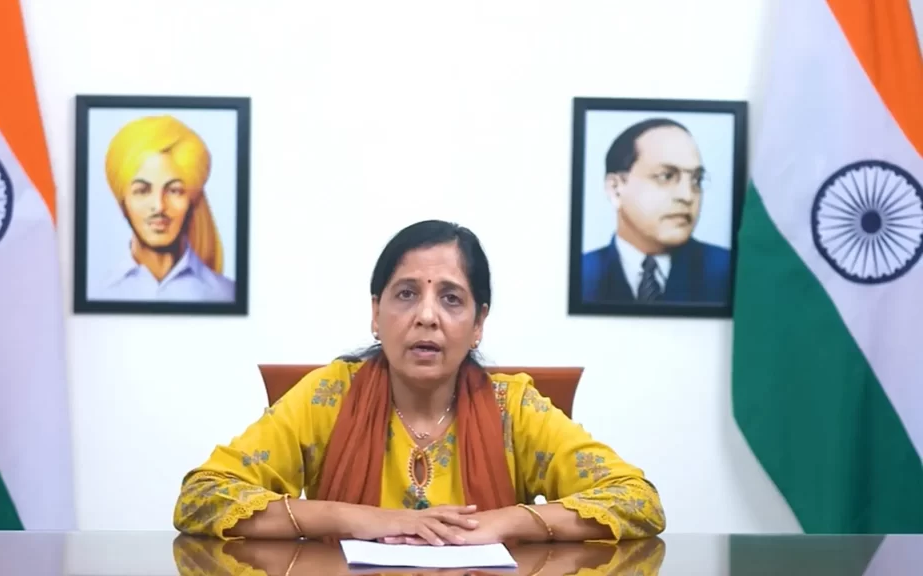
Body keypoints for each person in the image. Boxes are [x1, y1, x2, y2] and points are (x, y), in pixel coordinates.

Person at [173, 220, 665, 545]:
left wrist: (506, 522)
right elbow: (202, 498)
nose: (427, 317)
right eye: (406, 294)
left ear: (478, 323)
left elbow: (637, 502)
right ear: (376, 313)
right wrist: (356, 518)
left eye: (451, 299)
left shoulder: (512, 407)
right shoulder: (329, 396)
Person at [581, 118, 731, 304]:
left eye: (697, 180)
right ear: (616, 189)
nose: (687, 196)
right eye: (666, 176)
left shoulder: (728, 271)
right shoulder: (581, 275)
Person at [95, 115, 235, 303]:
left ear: (192, 200)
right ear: (123, 202)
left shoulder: (227, 294)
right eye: (142, 190)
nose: (159, 206)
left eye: (174, 190)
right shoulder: (97, 292)